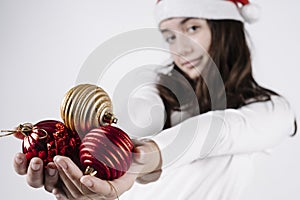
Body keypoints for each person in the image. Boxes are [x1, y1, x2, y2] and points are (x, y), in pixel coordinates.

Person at [13, 0, 297, 199]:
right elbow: (137, 117)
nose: (181, 47)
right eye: (170, 37)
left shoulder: (274, 111)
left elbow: (221, 130)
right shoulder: (157, 92)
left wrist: (144, 157)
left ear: (226, 30)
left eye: (193, 28)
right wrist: (93, 148)